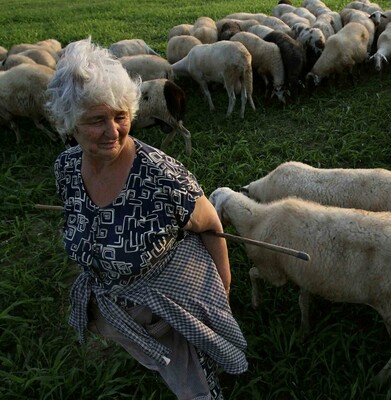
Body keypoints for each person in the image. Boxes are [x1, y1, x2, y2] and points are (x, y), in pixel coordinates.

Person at [46, 37, 247, 400]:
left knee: (197, 386)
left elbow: (211, 225)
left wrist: (222, 294)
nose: (113, 131)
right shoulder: (66, 169)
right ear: (70, 122)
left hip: (174, 305)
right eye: (96, 120)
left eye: (120, 116)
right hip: (120, 309)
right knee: (161, 363)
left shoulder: (159, 175)